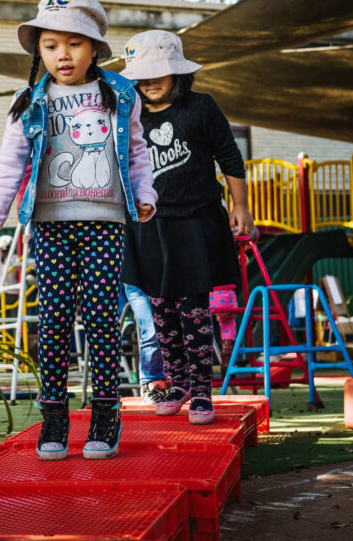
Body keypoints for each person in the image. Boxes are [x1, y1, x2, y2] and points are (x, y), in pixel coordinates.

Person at [0, 0, 156, 460]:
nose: (63, 55)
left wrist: (146, 196)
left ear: (94, 47)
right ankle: (54, 418)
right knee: (52, 323)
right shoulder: (29, 101)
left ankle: (105, 415)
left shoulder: (121, 94)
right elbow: (10, 165)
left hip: (105, 223)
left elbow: (136, 155)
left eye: (74, 43)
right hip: (49, 225)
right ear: (40, 53)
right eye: (51, 45)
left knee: (100, 319)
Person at [121, 30, 253, 426]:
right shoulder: (129, 113)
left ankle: (201, 391)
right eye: (141, 77)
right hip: (149, 224)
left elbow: (230, 156)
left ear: (178, 72)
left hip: (196, 221)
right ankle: (176, 383)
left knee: (194, 309)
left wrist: (240, 205)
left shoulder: (201, 108)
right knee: (160, 308)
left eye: (157, 73)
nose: (149, 83)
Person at [119, 283, 170, 404]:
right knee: (152, 327)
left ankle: (180, 382)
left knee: (166, 326)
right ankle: (153, 383)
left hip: (161, 275)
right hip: (135, 279)